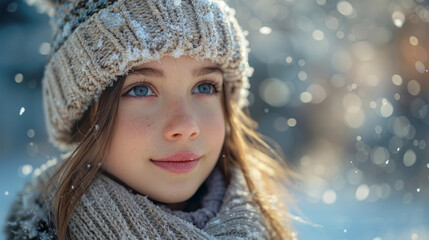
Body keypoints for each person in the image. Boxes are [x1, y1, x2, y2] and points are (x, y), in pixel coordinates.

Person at [5, 0, 296, 239]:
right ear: (83, 115)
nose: (186, 127)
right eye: (141, 90)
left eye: (204, 87)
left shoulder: (267, 227)